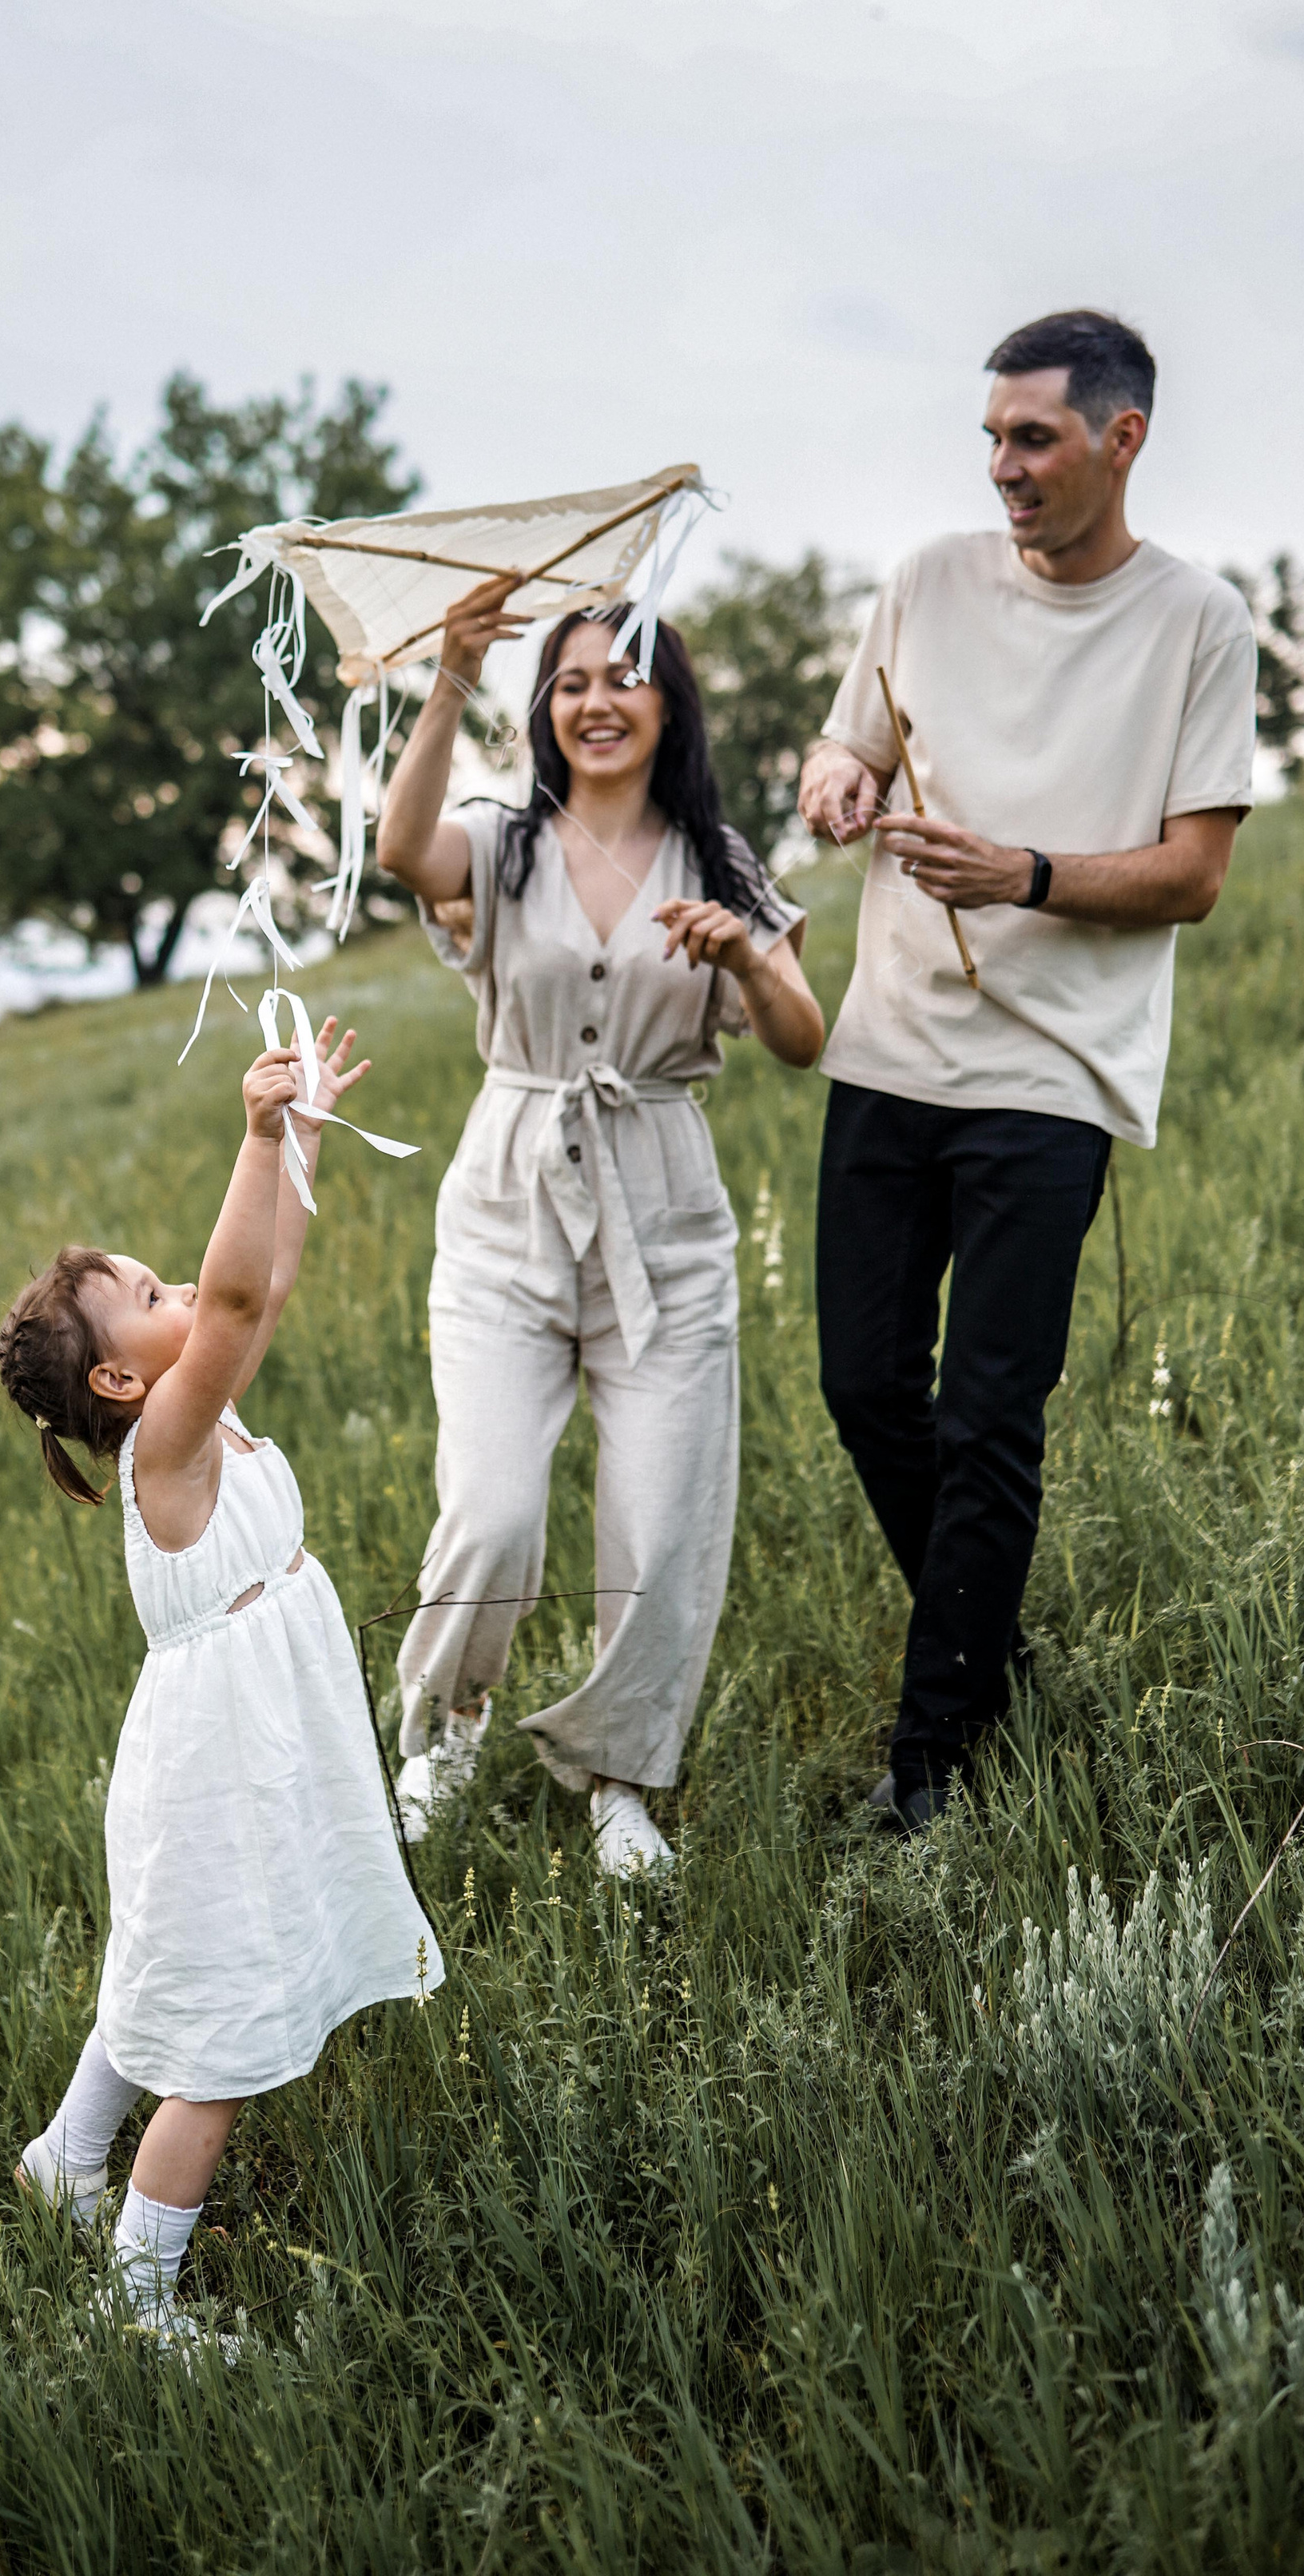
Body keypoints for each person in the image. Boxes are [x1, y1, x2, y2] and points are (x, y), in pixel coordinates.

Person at [797, 308, 1258, 1834]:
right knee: (866, 1383)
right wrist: (842, 776)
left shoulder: (1201, 624)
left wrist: (1024, 874)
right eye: (992, 436)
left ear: (1122, 440)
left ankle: (937, 1758)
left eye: (1034, 438)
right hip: (891, 1049)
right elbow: (845, 749)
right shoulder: (925, 581)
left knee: (992, 1411)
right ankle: (991, 1651)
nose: (1002, 465)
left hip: (1055, 1077)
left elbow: (1193, 876)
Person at [0, 1017, 441, 2346]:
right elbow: (238, 1299)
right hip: (218, 1759)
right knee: (220, 2034)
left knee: (171, 1969)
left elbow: (264, 1284)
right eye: (151, 1291)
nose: (183, 1284)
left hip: (245, 1741)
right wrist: (252, 1137)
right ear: (123, 1380)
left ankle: (66, 2158)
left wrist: (300, 1133)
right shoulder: (170, 1443)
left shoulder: (199, 1397)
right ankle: (142, 2300)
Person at [376, 593, 824, 1875]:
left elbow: (805, 1039)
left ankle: (620, 1780)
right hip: (508, 1210)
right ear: (547, 710)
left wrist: (747, 959)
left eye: (627, 679)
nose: (598, 700)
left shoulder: (720, 859)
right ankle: (443, 1733)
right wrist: (451, 672)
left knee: (659, 1522)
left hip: (665, 1216)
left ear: (669, 705)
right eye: (572, 682)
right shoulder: (502, 842)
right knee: (495, 1509)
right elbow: (404, 849)